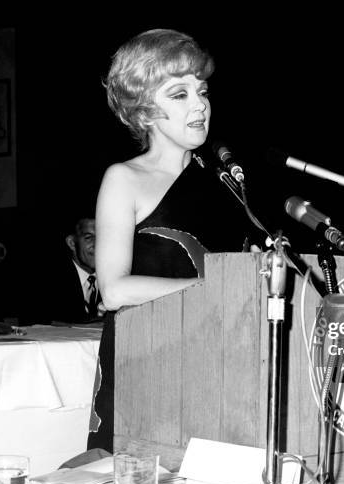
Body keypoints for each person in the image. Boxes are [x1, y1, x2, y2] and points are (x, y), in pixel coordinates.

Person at [88, 28, 252, 452]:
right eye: (179, 95)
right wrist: (217, 289)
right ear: (143, 111)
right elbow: (113, 289)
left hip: (215, 364)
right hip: (147, 366)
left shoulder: (226, 184)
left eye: (202, 90)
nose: (200, 104)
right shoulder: (124, 178)